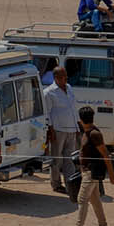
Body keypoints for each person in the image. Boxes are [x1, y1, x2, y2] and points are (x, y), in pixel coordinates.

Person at [65, 106, 114, 226]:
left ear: (81, 120)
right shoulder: (87, 131)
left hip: (91, 172)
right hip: (86, 171)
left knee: (82, 199)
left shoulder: (94, 134)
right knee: (95, 201)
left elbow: (106, 154)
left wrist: (111, 175)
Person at [41, 65, 79, 196]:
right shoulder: (49, 92)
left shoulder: (69, 88)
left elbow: (73, 109)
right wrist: (50, 131)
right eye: (63, 77)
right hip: (58, 130)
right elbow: (47, 113)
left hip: (71, 129)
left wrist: (77, 127)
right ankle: (56, 184)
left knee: (70, 158)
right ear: (56, 78)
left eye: (66, 76)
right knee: (57, 159)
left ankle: (70, 182)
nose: (65, 79)